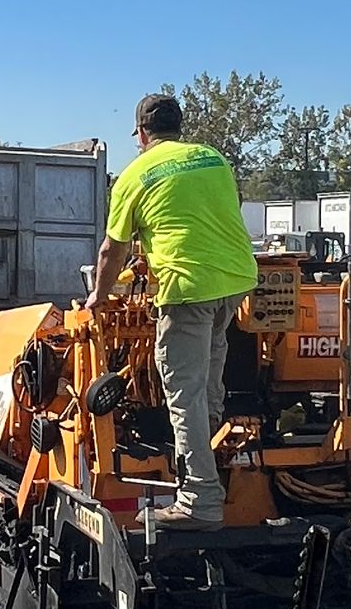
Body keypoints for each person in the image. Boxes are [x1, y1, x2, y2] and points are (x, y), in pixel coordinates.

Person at [85, 93, 260, 527]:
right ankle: (209, 430)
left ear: (142, 134)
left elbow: (112, 250)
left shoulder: (133, 175)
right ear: (178, 127)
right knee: (210, 361)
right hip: (236, 279)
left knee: (182, 388)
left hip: (188, 287)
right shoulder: (213, 159)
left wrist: (99, 295)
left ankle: (199, 498)